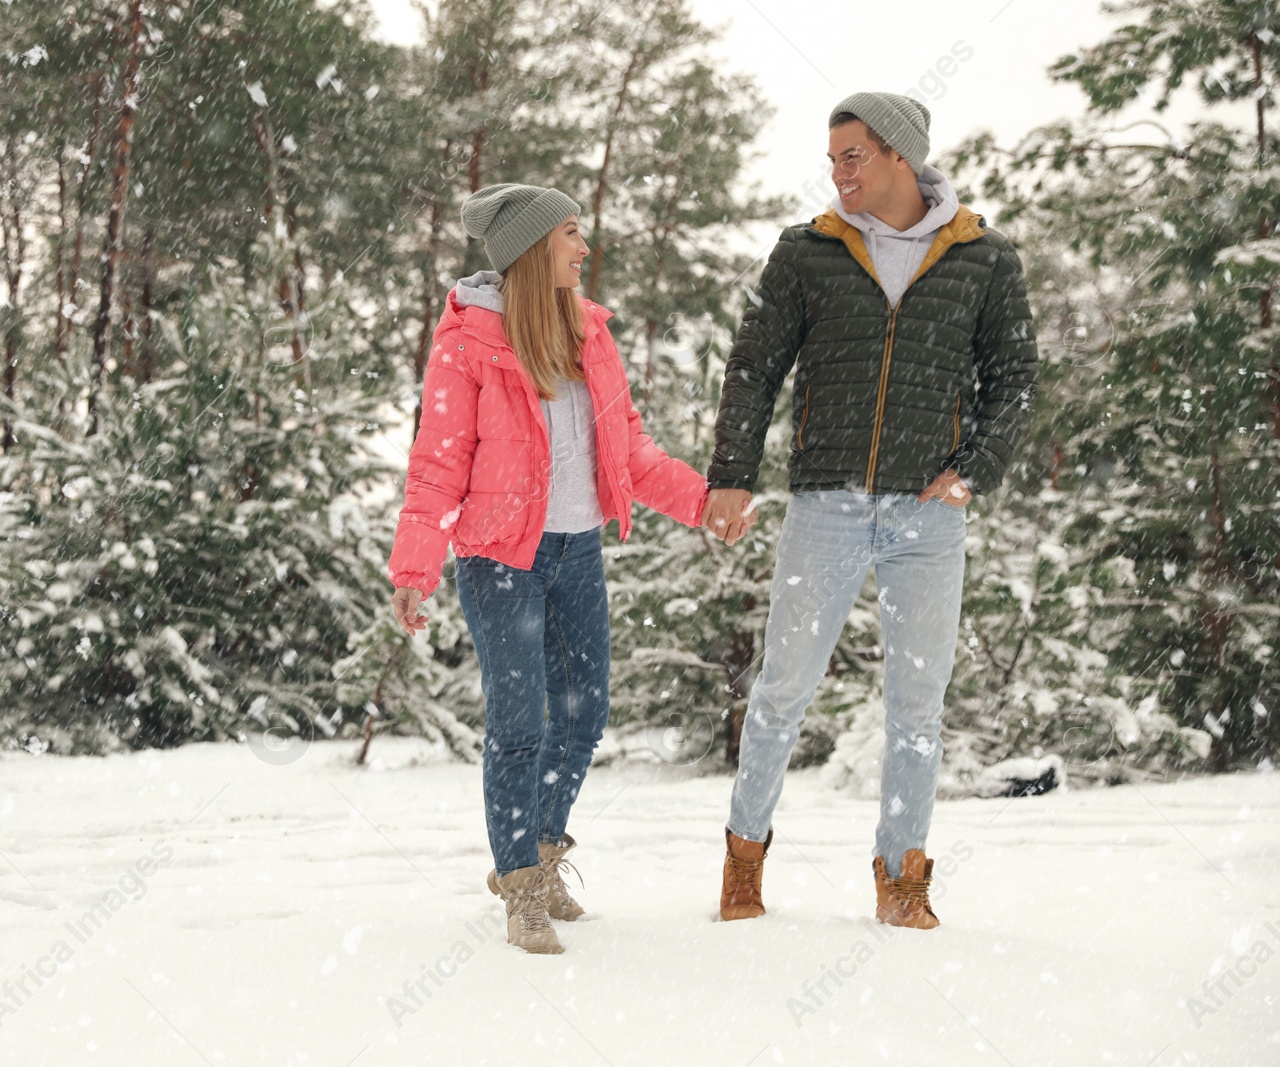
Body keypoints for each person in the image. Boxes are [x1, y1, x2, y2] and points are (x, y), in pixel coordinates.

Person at [702, 93, 1039, 929]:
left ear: (901, 158)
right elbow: (754, 366)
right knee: (782, 689)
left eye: (853, 156)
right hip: (827, 503)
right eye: (832, 158)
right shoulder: (807, 253)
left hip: (930, 515)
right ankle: (743, 861)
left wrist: (973, 470)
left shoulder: (984, 259)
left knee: (917, 706)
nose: (838, 172)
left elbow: (1016, 379)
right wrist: (731, 473)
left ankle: (904, 879)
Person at [388, 182, 711, 953]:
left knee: (583, 715)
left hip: (578, 551)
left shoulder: (589, 334)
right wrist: (415, 566)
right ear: (534, 247)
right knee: (520, 725)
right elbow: (438, 465)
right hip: (502, 558)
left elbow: (629, 452)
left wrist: (706, 503)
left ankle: (540, 848)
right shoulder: (467, 346)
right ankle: (517, 881)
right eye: (570, 233)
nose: (583, 247)